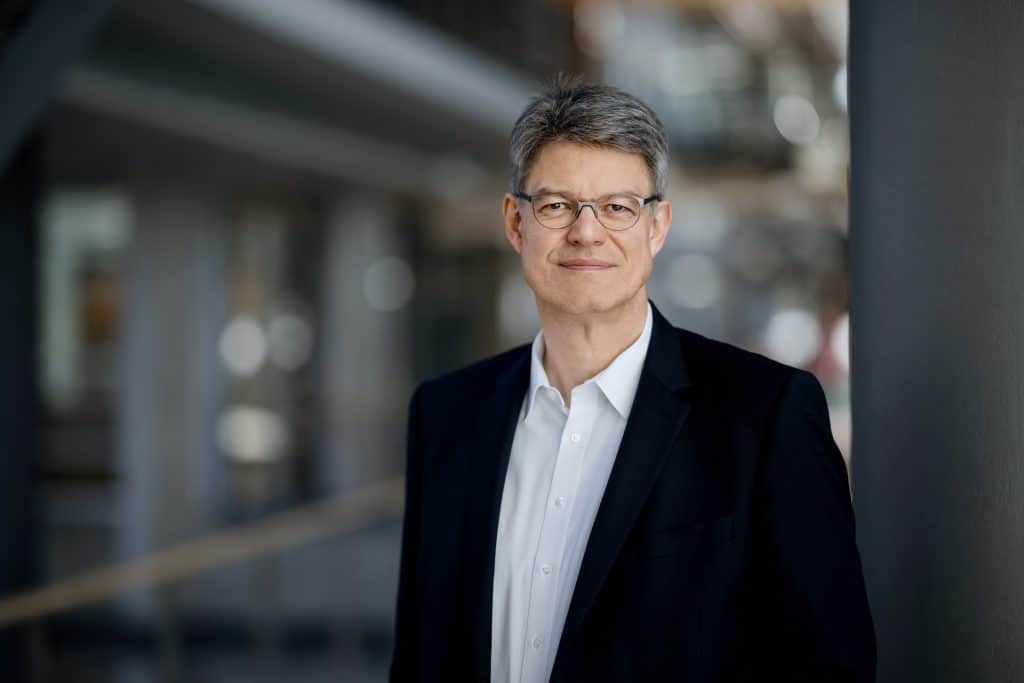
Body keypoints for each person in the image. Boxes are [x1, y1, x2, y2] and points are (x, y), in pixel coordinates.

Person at [390, 77, 875, 682]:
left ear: (657, 227)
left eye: (617, 207)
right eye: (556, 205)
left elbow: (829, 669)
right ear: (516, 223)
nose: (586, 231)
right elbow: (418, 657)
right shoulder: (445, 416)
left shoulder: (766, 416)